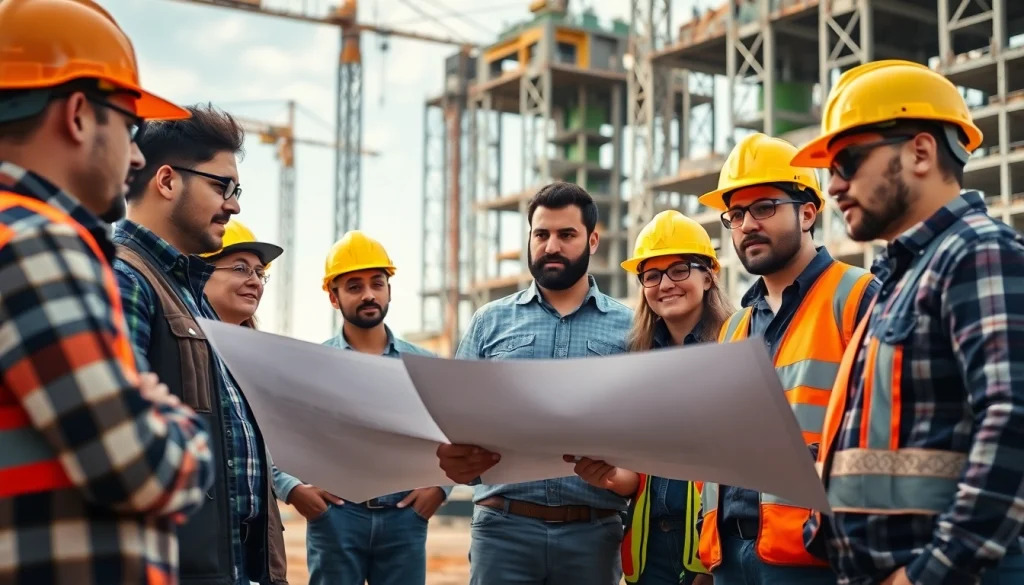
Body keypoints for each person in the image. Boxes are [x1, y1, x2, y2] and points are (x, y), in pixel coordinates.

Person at [0, 0, 215, 582]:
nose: (139, 155)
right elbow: (141, 466)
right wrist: (180, 426)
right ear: (76, 114)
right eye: (129, 126)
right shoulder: (36, 241)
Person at [794, 59, 1024, 585]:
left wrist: (931, 572)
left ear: (920, 151)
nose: (832, 186)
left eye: (847, 161)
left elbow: (1014, 417)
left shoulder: (978, 252)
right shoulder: (902, 278)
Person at [692, 132, 880, 585]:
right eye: (735, 214)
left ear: (809, 212)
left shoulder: (857, 296)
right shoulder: (735, 327)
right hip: (731, 554)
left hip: (817, 555)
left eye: (764, 208)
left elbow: (882, 428)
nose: (747, 225)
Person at [112, 105, 288, 585]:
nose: (234, 206)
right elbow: (119, 448)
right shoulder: (126, 279)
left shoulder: (189, 293)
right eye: (222, 186)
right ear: (167, 181)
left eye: (237, 191)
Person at [436, 181, 635, 585]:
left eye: (567, 235)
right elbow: (452, 425)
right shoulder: (489, 323)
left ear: (593, 240)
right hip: (503, 530)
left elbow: (645, 436)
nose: (551, 246)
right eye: (541, 235)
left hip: (593, 535)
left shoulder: (630, 329)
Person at [272, 229, 451, 585]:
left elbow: (454, 435)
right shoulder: (312, 366)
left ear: (389, 289)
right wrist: (291, 488)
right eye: (354, 286)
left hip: (405, 518)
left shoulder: (425, 364)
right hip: (336, 519)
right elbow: (271, 434)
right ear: (334, 298)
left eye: (377, 283)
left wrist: (439, 489)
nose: (369, 294)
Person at [566, 210, 730, 585]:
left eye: (679, 270)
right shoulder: (635, 359)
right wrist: (609, 475)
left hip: (711, 554)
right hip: (649, 553)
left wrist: (710, 564)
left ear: (709, 275)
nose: (665, 284)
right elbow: (637, 474)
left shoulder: (735, 347)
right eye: (651, 275)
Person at [200, 218, 282, 329]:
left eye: (259, 274)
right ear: (197, 271)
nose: (256, 282)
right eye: (240, 269)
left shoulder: (254, 346)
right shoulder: (171, 339)